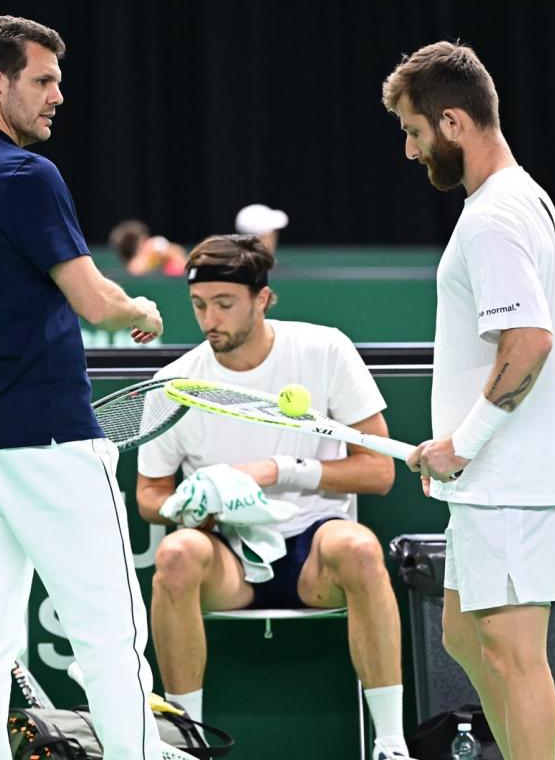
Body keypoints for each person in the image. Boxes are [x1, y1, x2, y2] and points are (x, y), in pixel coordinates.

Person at [0, 15, 168, 760]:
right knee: (111, 627)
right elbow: (95, 301)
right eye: (43, 81)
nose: (57, 96)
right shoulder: (27, 175)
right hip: (49, 441)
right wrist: (141, 308)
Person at [135, 234, 417, 760]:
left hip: (316, 555)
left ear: (262, 299)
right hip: (227, 562)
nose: (209, 320)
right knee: (173, 553)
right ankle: (188, 744)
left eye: (224, 304)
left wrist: (277, 471)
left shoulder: (325, 350)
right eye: (198, 305)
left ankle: (391, 745)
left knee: (359, 547)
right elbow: (150, 494)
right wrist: (183, 505)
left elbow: (379, 471)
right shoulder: (175, 382)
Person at [383, 42, 555, 760]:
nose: (409, 150)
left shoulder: (495, 217)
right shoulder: (512, 200)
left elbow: (528, 344)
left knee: (511, 650)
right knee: (464, 635)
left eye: (412, 131)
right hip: (494, 480)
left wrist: (460, 444)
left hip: (511, 477)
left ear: (453, 123)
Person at [109, 218, 188, 276]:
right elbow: (136, 269)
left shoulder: (158, 253)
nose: (148, 242)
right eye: (144, 241)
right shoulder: (135, 267)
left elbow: (180, 259)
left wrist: (164, 254)